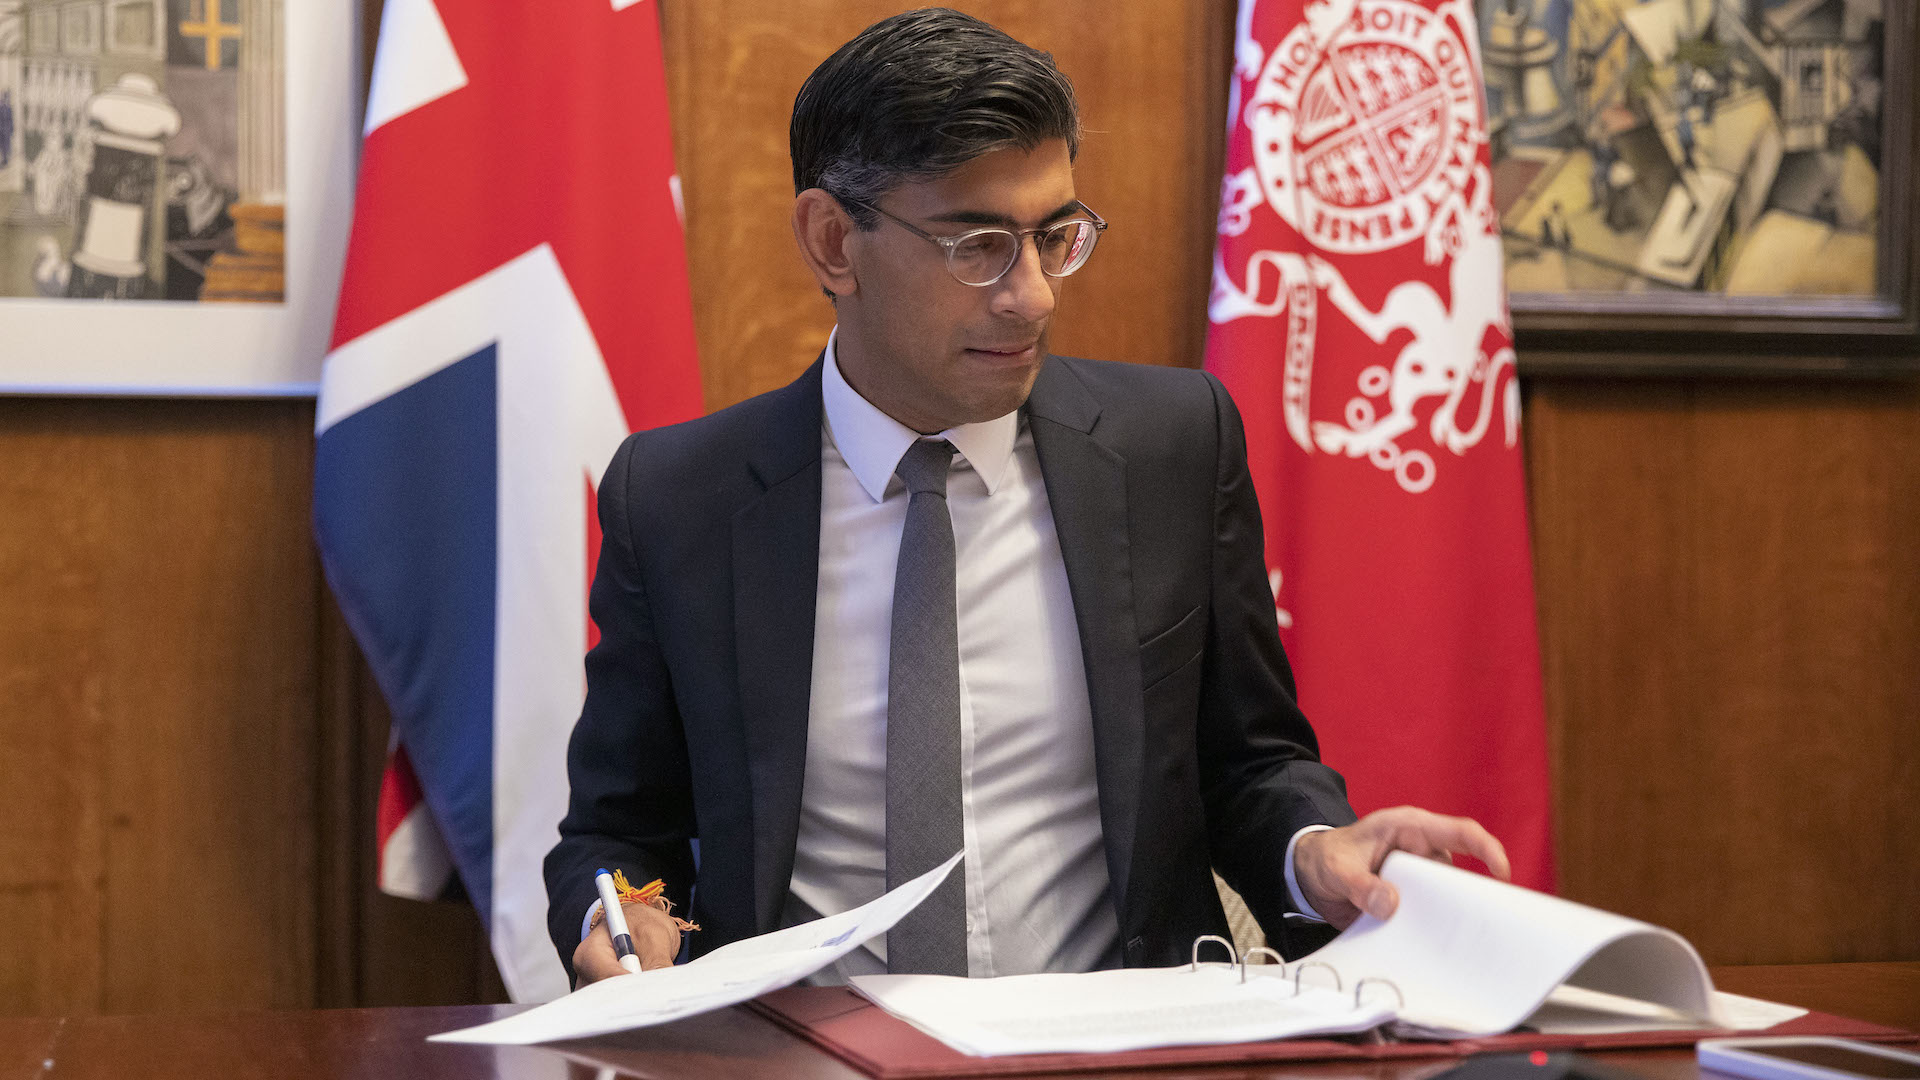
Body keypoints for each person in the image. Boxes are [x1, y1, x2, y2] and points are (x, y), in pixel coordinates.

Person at [546, 8, 1509, 988]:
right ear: (834, 242)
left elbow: (1249, 763)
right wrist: (629, 923)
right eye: (977, 246)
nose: (1035, 294)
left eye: (1055, 235)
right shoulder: (679, 499)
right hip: (803, 1055)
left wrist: (1312, 852)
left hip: (1109, 1048)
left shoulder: (1172, 449)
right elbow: (621, 833)